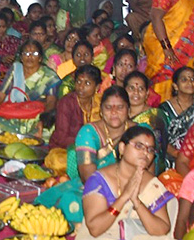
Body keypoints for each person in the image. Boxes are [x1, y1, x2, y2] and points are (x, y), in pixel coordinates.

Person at [75, 125, 177, 240]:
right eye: (139, 146)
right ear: (122, 148)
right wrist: (123, 198)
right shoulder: (99, 180)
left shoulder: (152, 183)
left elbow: (161, 230)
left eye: (150, 150)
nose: (145, 153)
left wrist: (136, 202)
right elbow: (95, 229)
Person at [39, 85, 131, 223]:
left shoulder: (140, 132)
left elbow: (149, 172)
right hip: (97, 190)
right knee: (71, 201)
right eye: (108, 107)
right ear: (100, 111)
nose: (113, 112)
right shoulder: (88, 133)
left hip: (133, 190)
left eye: (120, 107)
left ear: (128, 110)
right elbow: (89, 179)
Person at [0, 39, 59, 137]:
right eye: (26, 53)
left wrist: (43, 121)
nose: (30, 56)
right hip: (14, 114)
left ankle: (16, 135)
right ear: (21, 57)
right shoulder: (16, 69)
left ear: (40, 58)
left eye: (34, 53)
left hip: (36, 117)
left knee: (49, 128)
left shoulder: (50, 76)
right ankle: (17, 135)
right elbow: (0, 95)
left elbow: (51, 102)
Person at [50, 65, 101, 150]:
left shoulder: (100, 102)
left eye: (87, 83)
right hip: (67, 148)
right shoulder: (66, 103)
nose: (81, 87)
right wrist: (88, 143)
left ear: (97, 87)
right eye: (78, 82)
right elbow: (61, 138)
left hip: (95, 148)